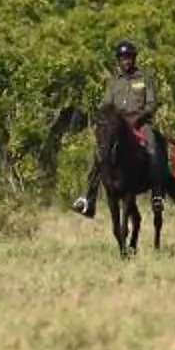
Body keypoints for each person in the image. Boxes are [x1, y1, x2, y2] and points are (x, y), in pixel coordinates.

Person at [72, 40, 159, 218]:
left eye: (129, 57)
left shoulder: (145, 78)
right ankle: (88, 198)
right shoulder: (113, 82)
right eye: (122, 58)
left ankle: (157, 194)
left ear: (133, 59)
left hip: (140, 123)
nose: (126, 61)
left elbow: (151, 104)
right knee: (97, 153)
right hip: (117, 125)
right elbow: (107, 105)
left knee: (153, 147)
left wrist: (139, 117)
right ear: (118, 60)